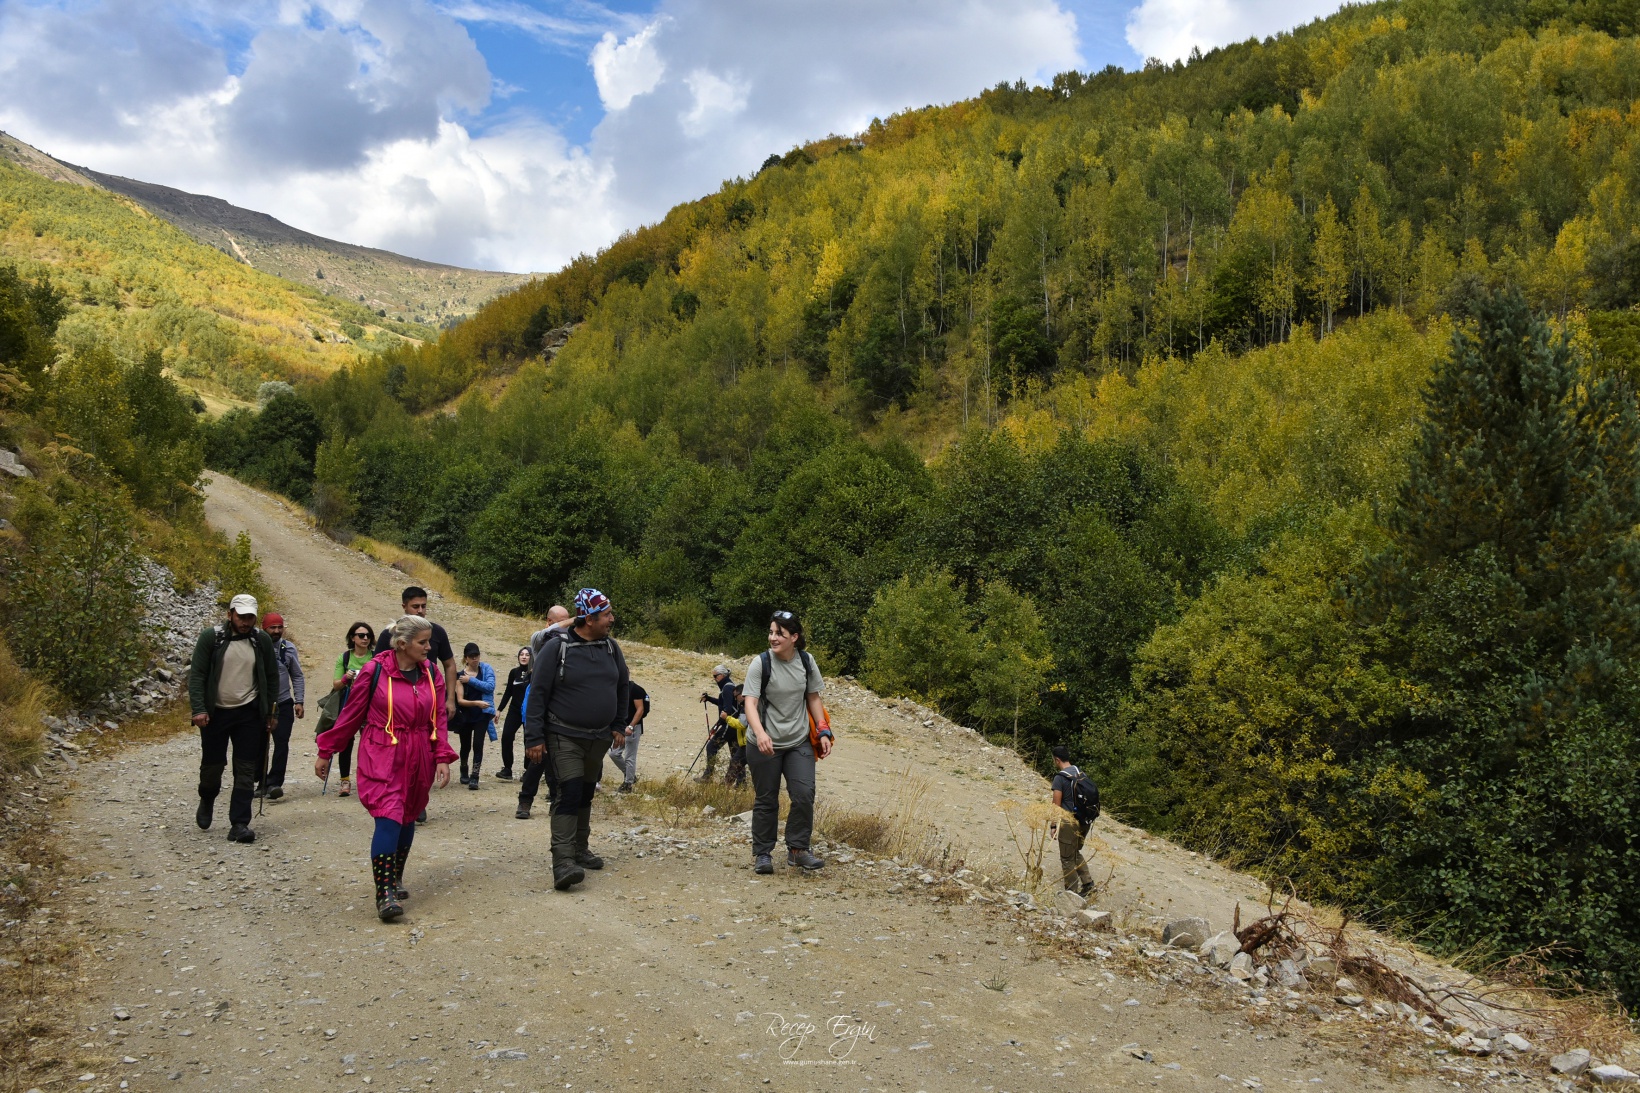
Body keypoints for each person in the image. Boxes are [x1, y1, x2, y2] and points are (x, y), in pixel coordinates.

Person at [315, 615, 455, 922]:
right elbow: (351, 715)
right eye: (423, 642)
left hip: (419, 752)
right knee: (389, 816)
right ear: (402, 644)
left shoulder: (432, 673)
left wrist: (442, 756)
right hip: (382, 751)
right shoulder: (374, 670)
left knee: (408, 816)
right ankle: (384, 892)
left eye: (429, 642)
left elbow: (439, 719)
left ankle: (395, 876)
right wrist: (326, 750)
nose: (429, 648)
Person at [523, 588, 629, 890]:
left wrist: (618, 724)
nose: (612, 619)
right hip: (563, 735)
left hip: (599, 737)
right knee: (568, 791)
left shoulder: (611, 647)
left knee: (585, 793)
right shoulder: (557, 648)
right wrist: (534, 737)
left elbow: (623, 685)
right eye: (606, 614)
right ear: (589, 618)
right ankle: (563, 862)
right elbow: (538, 693)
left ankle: (580, 848)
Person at [744, 610, 832, 874]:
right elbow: (750, 703)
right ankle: (763, 854)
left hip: (798, 741)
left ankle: (798, 849)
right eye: (771, 632)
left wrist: (823, 730)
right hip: (764, 742)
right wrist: (760, 733)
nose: (773, 638)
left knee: (804, 794)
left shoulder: (806, 661)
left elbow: (813, 697)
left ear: (794, 637)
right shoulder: (761, 663)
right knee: (767, 799)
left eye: (779, 634)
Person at [187, 593, 279, 844]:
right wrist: (199, 709)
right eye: (241, 617)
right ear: (230, 615)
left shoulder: (260, 640)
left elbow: (272, 678)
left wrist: (272, 713)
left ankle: (240, 823)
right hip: (215, 713)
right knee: (212, 766)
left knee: (246, 769)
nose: (246, 622)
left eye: (250, 617)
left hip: (248, 713)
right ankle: (207, 798)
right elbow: (198, 675)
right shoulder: (211, 638)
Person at [515, 605, 571, 816]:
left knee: (558, 758)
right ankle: (525, 801)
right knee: (538, 757)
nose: (566, 625)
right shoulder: (540, 639)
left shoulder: (569, 641)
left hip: (560, 704)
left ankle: (556, 800)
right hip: (539, 704)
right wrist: (579, 619)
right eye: (561, 621)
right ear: (549, 621)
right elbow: (551, 630)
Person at [374, 586, 457, 721]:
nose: (420, 611)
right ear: (404, 606)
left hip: (429, 695)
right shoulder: (390, 634)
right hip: (396, 699)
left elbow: (450, 664)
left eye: (423, 606)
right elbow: (377, 668)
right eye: (415, 606)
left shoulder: (437, 632)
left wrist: (451, 699)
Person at [258, 612, 305, 801]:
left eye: (280, 627)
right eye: (272, 627)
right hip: (259, 704)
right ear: (264, 628)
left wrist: (299, 701)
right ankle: (260, 781)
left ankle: (274, 783)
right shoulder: (256, 647)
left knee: (281, 743)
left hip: (283, 702)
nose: (277, 631)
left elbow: (297, 675)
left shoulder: (289, 649)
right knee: (258, 743)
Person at [325, 622, 375, 797]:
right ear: (352, 638)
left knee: (369, 743)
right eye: (361, 635)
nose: (365, 638)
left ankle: (368, 778)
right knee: (346, 742)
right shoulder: (345, 658)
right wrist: (346, 678)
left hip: (371, 706)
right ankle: (345, 780)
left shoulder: (376, 657)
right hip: (349, 705)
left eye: (368, 635)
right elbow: (336, 685)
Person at [1050, 745, 1097, 896]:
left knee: (1066, 858)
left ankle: (1071, 894)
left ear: (1057, 760)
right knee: (1075, 852)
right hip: (1085, 820)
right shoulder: (1080, 772)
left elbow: (1056, 805)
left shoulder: (1059, 778)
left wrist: (1053, 825)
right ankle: (1088, 884)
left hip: (1069, 822)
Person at [453, 642, 495, 789]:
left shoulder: (485, 670)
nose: (475, 659)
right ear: (466, 658)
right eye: (471, 656)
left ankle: (475, 776)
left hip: (481, 715)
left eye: (476, 655)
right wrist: (476, 703)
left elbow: (490, 687)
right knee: (465, 745)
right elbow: (460, 701)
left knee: (478, 744)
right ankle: (463, 768)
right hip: (466, 715)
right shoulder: (460, 677)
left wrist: (470, 680)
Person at [493, 646, 532, 780]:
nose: (524, 657)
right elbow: (508, 692)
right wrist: (499, 709)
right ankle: (507, 768)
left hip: (529, 712)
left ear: (532, 657)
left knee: (528, 740)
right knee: (507, 736)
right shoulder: (514, 672)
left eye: (527, 655)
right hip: (514, 710)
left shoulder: (535, 673)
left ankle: (528, 770)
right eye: (521, 654)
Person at [694, 664, 737, 783]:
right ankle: (741, 782)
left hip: (729, 724)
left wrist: (719, 723)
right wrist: (709, 699)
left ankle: (707, 777)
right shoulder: (729, 686)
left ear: (722, 675)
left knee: (711, 746)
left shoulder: (727, 688)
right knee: (736, 753)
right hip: (734, 725)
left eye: (715, 676)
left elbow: (727, 709)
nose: (714, 679)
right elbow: (722, 703)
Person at [605, 681, 648, 792]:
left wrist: (631, 726)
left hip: (633, 727)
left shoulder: (636, 689)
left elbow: (640, 709)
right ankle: (630, 775)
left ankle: (628, 784)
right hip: (621, 727)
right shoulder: (616, 688)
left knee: (630, 757)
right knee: (613, 753)